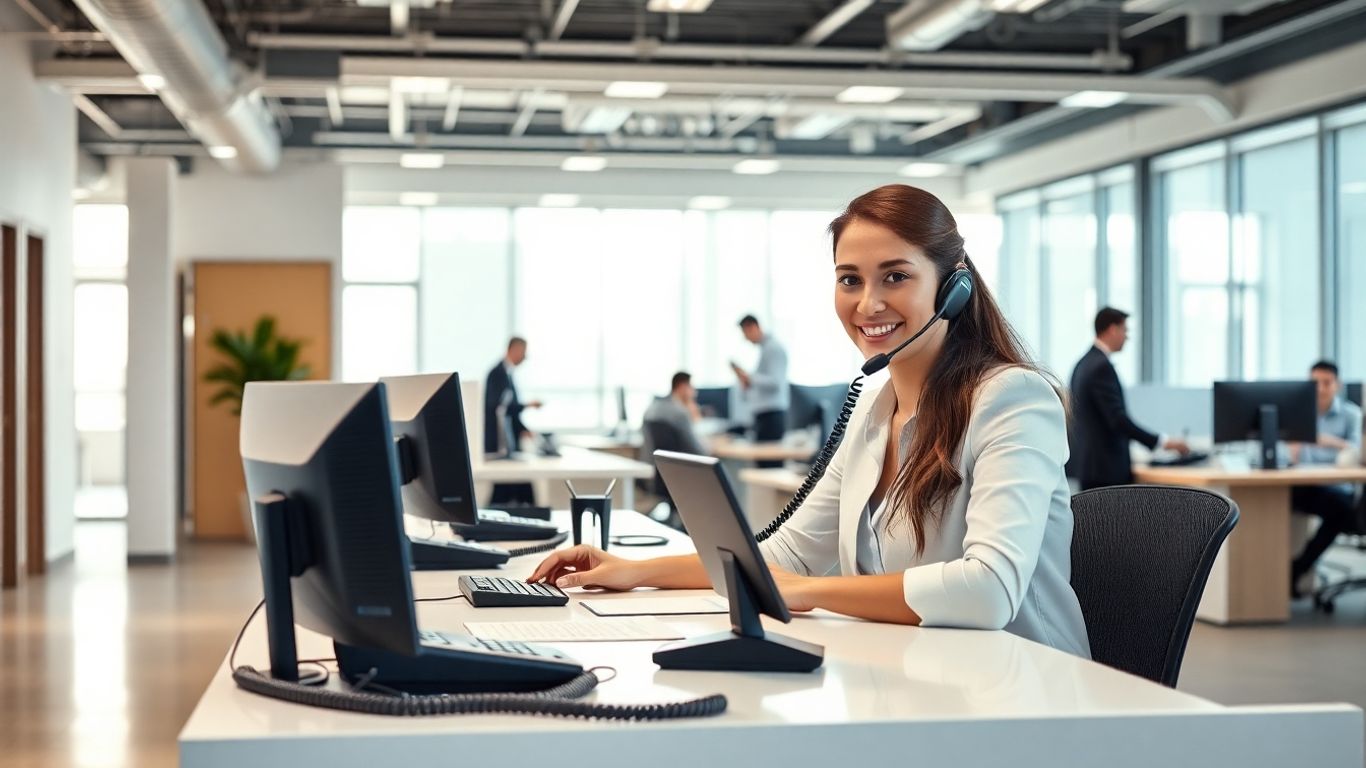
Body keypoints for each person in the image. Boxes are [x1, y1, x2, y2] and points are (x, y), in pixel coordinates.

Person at [530, 184, 1091, 658]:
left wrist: (812, 592)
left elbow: (989, 591)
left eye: (895, 276)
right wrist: (634, 570)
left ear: (953, 286)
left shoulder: (1012, 398)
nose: (868, 303)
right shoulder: (874, 410)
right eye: (850, 279)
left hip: (1027, 689)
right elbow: (786, 559)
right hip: (922, 676)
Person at [1068, 307, 1188, 490]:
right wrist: (1162, 442)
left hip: (1090, 469)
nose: (1127, 337)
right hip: (1105, 472)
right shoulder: (1101, 367)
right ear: (1112, 329)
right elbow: (1117, 420)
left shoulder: (1082, 364)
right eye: (1125, 330)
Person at [1288, 360, 1363, 598]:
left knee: (1341, 509)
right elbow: (1285, 456)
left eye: (1326, 382)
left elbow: (1356, 452)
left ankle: (1298, 567)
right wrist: (1295, 444)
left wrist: (1326, 440)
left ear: (1337, 385)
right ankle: (1285, 572)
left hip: (1337, 487)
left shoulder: (1350, 414)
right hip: (1303, 487)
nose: (1320, 388)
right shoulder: (1298, 412)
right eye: (1315, 383)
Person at [484, 336, 541, 505]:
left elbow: (509, 411)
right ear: (514, 349)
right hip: (499, 444)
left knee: (512, 488)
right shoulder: (497, 374)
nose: (525, 357)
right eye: (523, 352)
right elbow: (500, 408)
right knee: (511, 487)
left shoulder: (507, 374)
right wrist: (527, 405)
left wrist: (523, 428)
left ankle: (529, 519)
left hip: (508, 443)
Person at [731, 315, 789, 467]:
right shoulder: (765, 349)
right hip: (764, 416)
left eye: (745, 333)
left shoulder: (773, 348)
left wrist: (750, 378)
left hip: (771, 416)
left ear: (753, 327)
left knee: (769, 466)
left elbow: (776, 382)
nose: (746, 339)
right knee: (762, 465)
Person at [640, 372, 708, 458]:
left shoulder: (652, 407)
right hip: (676, 468)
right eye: (691, 388)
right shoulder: (680, 413)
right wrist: (694, 419)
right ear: (682, 387)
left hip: (654, 465)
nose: (694, 392)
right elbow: (699, 451)